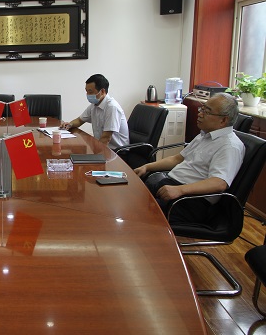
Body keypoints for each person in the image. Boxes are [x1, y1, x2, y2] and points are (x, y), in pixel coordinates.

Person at [134, 93, 245, 224]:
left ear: (223, 120)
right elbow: (177, 159)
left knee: (137, 215)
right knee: (131, 196)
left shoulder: (229, 146)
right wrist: (146, 167)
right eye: (202, 108)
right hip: (172, 186)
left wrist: (180, 190)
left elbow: (219, 183)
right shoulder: (204, 135)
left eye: (206, 111)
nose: (200, 114)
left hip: (190, 201)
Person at [60, 73, 129, 149]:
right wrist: (70, 124)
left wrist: (95, 153)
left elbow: (106, 138)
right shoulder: (94, 105)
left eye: (90, 92)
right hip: (102, 145)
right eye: (86, 91)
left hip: (117, 151)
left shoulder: (112, 107)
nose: (87, 95)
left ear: (102, 91)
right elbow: (80, 120)